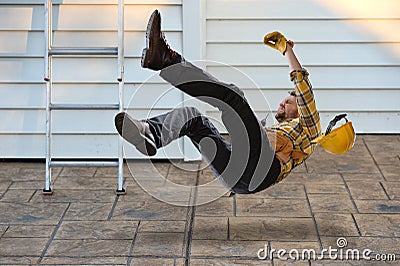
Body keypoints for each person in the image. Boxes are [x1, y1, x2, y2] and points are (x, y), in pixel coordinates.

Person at [115, 10, 321, 195]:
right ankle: (151, 134)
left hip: (261, 169)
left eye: (288, 102)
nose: (282, 105)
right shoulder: (278, 131)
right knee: (193, 119)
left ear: (301, 109)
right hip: (238, 178)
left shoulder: (310, 128)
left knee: (234, 98)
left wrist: (287, 51)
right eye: (284, 101)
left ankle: (167, 60)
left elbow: (303, 90)